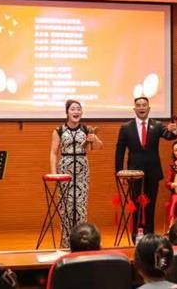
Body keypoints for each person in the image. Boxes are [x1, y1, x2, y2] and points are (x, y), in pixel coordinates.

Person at [115, 97, 177, 237]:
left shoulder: (157, 125)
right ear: (134, 109)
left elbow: (169, 136)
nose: (141, 107)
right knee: (135, 204)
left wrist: (174, 130)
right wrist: (119, 172)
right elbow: (120, 150)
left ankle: (150, 235)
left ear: (149, 108)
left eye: (144, 105)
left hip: (152, 171)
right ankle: (135, 234)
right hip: (133, 172)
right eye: (138, 105)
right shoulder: (126, 127)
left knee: (151, 204)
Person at [50, 99, 103, 248]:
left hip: (82, 172)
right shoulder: (59, 130)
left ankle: (82, 244)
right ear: (67, 112)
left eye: (78, 109)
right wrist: (54, 174)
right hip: (65, 172)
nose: (76, 111)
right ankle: (66, 244)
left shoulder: (86, 129)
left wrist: (94, 139)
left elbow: (98, 147)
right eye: (73, 109)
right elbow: (53, 153)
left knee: (80, 208)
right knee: (66, 209)